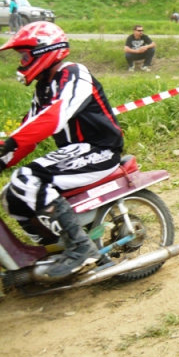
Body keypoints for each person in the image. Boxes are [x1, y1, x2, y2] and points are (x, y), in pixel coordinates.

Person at [0, 21, 123, 282]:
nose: (21, 63)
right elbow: (28, 131)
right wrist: (4, 157)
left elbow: (55, 115)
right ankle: (51, 250)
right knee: (10, 195)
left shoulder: (75, 73)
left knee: (25, 178)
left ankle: (81, 248)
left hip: (100, 150)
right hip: (74, 153)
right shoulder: (43, 88)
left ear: (45, 51)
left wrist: (10, 143)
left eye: (25, 56)